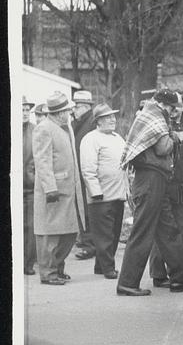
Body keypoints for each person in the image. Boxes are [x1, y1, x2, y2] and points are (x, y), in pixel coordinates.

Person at [116, 89, 183, 296]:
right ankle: (127, 283)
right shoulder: (155, 116)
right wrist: (176, 138)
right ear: (163, 105)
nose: (172, 112)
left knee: (167, 229)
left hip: (153, 179)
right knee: (143, 231)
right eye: (171, 108)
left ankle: (181, 279)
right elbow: (162, 148)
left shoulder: (150, 114)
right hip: (150, 179)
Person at [32, 92, 84, 285]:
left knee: (69, 232)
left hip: (68, 190)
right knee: (50, 234)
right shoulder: (44, 128)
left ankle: (57, 267)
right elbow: (42, 161)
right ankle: (48, 273)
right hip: (53, 191)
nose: (70, 113)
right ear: (58, 112)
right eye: (66, 110)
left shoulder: (65, 127)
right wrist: (50, 188)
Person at [149, 92, 183, 287]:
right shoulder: (158, 122)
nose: (175, 110)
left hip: (181, 182)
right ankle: (158, 274)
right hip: (162, 183)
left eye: (178, 106)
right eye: (172, 106)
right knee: (162, 231)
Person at [79, 103, 127, 279]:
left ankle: (101, 266)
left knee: (113, 232)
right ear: (98, 121)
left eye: (113, 116)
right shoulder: (90, 139)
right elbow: (88, 169)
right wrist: (95, 191)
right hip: (101, 197)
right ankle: (108, 268)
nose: (112, 119)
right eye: (107, 117)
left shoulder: (117, 138)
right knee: (104, 235)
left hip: (118, 194)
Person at [71, 89, 96, 261]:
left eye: (78, 106)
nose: (74, 110)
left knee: (87, 210)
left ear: (87, 106)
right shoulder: (79, 122)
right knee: (82, 209)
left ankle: (90, 245)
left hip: (86, 172)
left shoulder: (91, 123)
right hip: (79, 171)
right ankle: (86, 241)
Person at [22, 96, 37, 275]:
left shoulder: (35, 130)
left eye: (27, 110)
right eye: (22, 109)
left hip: (31, 187)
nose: (25, 113)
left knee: (31, 226)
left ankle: (28, 263)